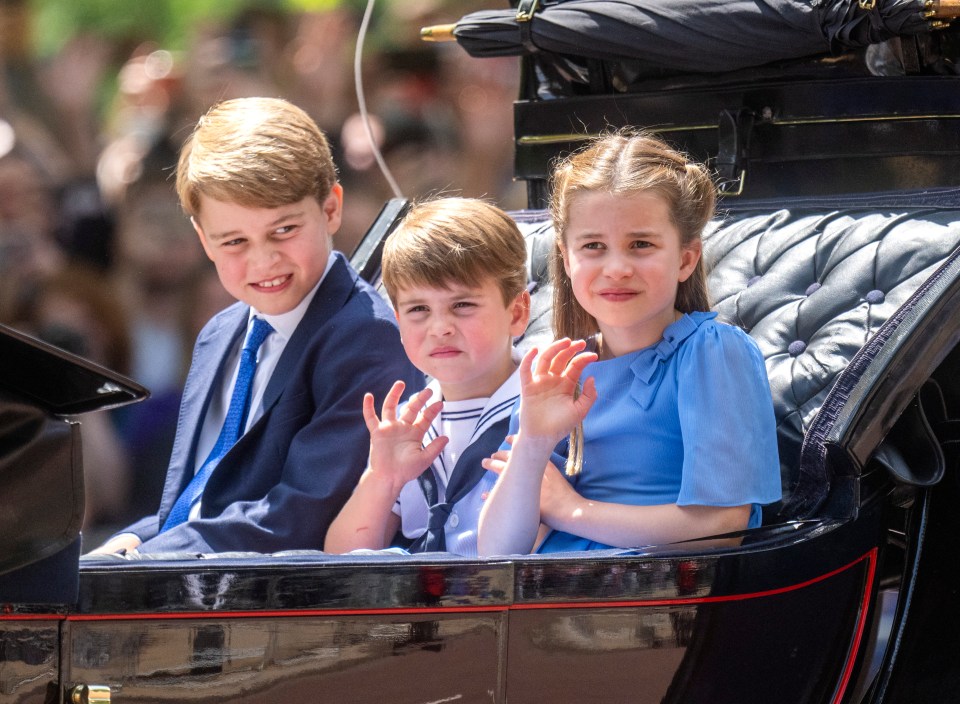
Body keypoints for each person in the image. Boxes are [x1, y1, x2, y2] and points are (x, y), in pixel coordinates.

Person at [91, 97, 422, 555]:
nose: (263, 260)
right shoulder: (220, 334)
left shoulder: (366, 337)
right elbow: (203, 500)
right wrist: (130, 541)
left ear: (330, 209)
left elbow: (300, 514)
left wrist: (147, 560)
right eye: (234, 241)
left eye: (283, 230)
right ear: (203, 239)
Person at [477, 131, 782, 556]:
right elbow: (496, 551)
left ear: (685, 259)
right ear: (567, 259)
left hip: (648, 603)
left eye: (641, 245)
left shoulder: (711, 352)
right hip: (548, 601)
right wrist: (532, 442)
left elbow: (723, 523)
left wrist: (571, 511)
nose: (617, 268)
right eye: (594, 247)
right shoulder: (558, 372)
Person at [324, 198, 530, 557]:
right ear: (398, 322)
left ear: (517, 312)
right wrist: (383, 479)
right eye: (418, 309)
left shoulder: (542, 408)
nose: (440, 328)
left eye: (462, 305)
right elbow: (341, 558)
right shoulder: (408, 425)